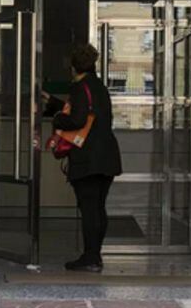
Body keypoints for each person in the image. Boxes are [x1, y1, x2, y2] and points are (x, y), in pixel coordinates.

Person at [43, 43, 123, 272]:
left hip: (87, 159)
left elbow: (77, 120)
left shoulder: (79, 88)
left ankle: (90, 258)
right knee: (98, 207)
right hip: (107, 156)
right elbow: (88, 113)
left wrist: (57, 118)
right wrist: (56, 103)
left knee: (89, 209)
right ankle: (95, 256)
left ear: (73, 66)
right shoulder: (99, 87)